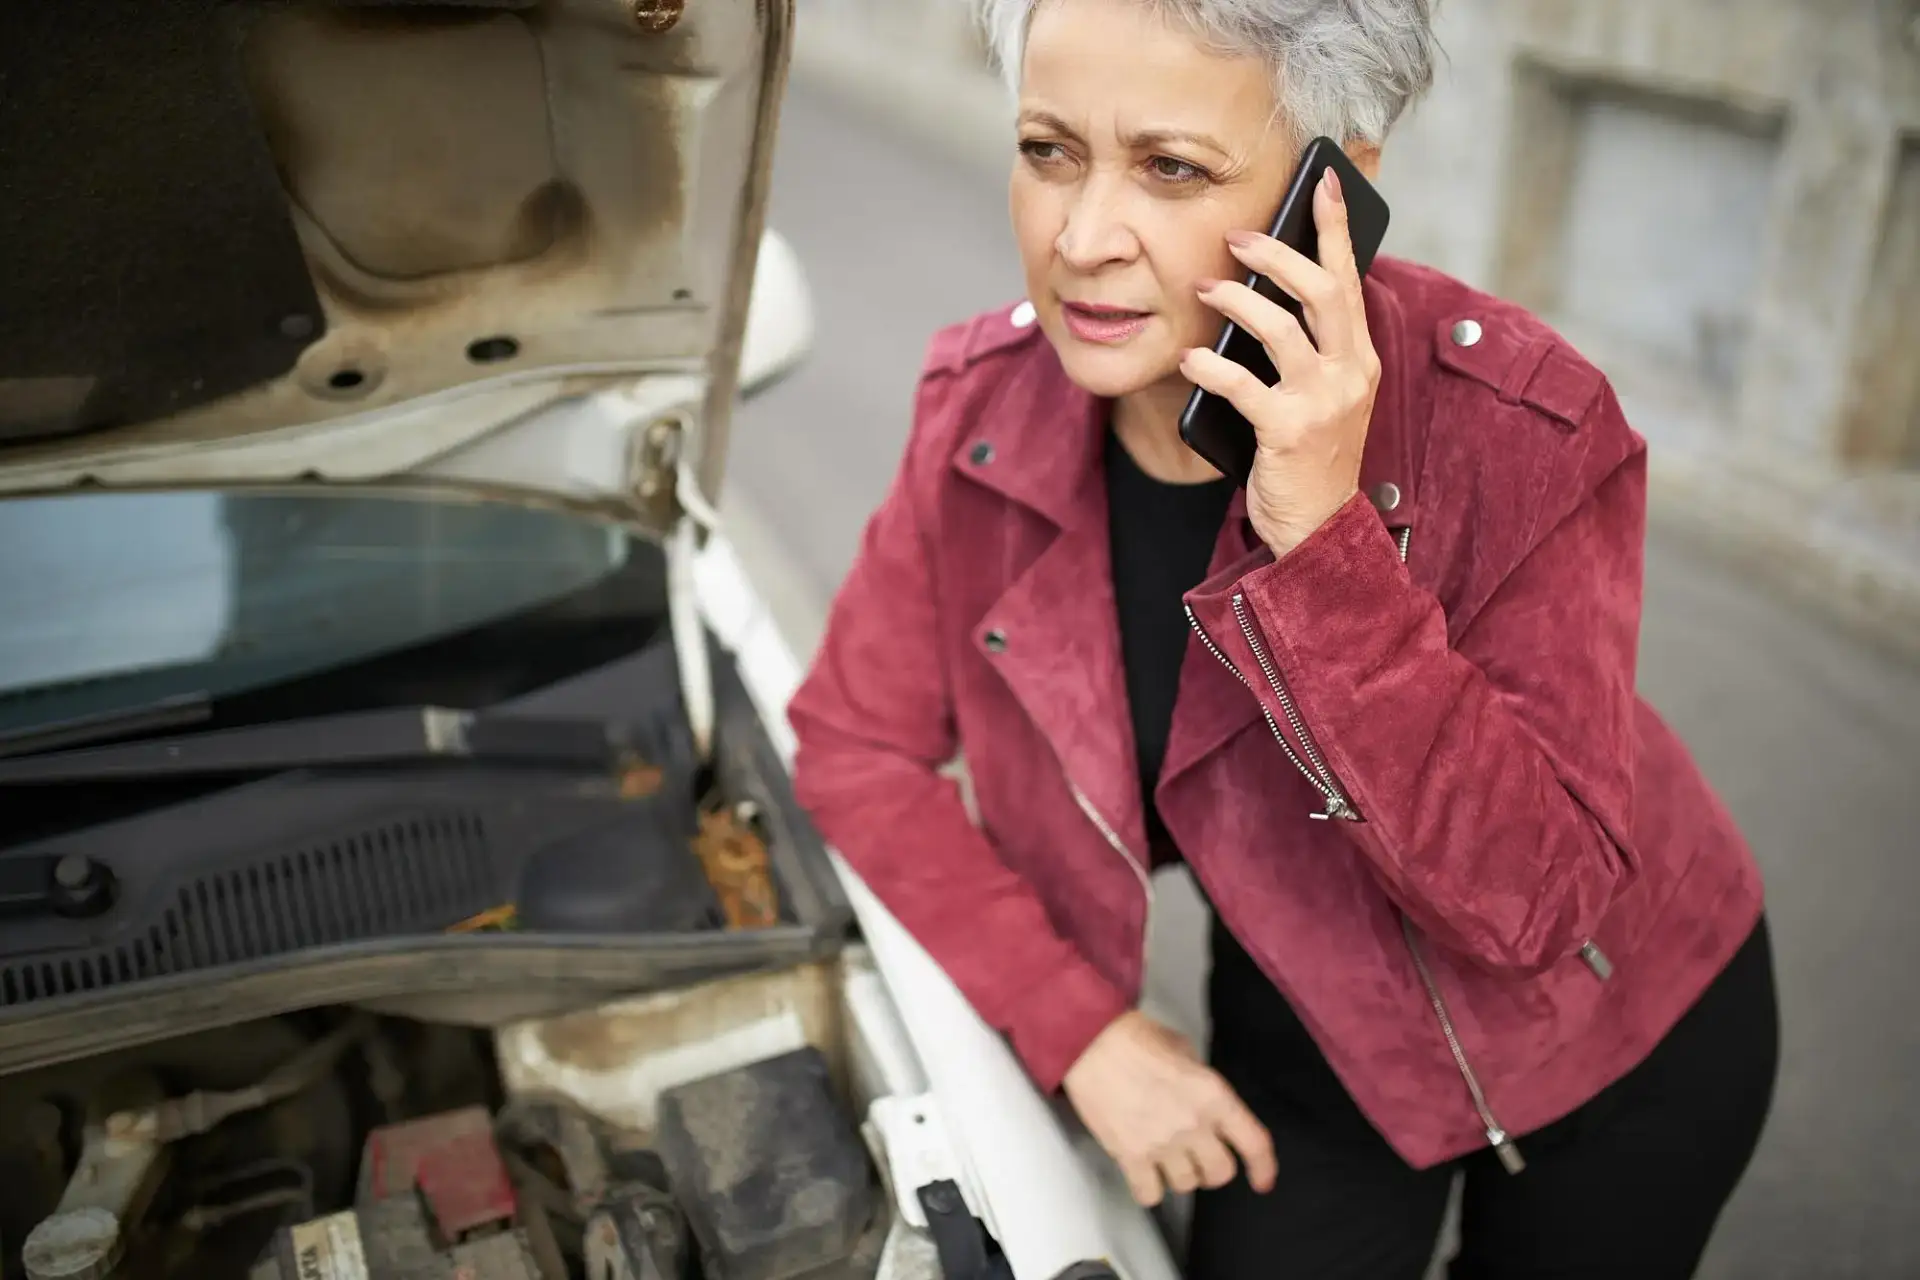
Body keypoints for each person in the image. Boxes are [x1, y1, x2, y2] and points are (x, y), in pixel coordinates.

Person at [786, 0, 1780, 1275]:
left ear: (1335, 187)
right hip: (1309, 1030)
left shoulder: (1518, 424)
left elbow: (1534, 900)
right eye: (1048, 151)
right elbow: (857, 746)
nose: (1082, 237)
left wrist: (1320, 543)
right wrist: (1077, 1026)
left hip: (1619, 1033)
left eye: (1171, 167)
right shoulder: (982, 418)